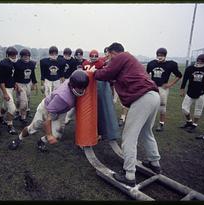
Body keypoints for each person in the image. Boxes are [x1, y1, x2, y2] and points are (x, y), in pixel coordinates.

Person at [90, 42, 161, 187]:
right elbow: (112, 76)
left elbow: (107, 73)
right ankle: (155, 163)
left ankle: (129, 175)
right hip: (152, 96)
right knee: (146, 132)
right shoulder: (128, 61)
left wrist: (93, 73)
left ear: (113, 52)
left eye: (107, 54)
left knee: (129, 137)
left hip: (143, 98)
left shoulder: (122, 56)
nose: (106, 57)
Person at [8, 70, 89, 152]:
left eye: (83, 87)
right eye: (80, 88)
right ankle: (19, 138)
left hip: (61, 110)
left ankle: (41, 141)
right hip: (46, 109)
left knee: (57, 135)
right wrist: (49, 135)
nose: (82, 90)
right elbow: (48, 119)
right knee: (32, 128)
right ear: (72, 85)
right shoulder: (63, 97)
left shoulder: (74, 81)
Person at [147, 48, 182, 131]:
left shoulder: (170, 64)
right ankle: (148, 123)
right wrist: (149, 82)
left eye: (161, 55)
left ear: (165, 56)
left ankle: (161, 124)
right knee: (151, 105)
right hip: (153, 87)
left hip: (162, 88)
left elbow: (179, 75)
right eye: (158, 55)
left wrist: (170, 84)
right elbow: (146, 73)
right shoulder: (152, 63)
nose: (160, 57)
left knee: (162, 105)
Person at [180, 54, 204, 133]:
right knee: (184, 108)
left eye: (202, 60)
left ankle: (194, 125)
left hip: (201, 92)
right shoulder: (190, 68)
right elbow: (185, 79)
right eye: (199, 60)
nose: (200, 62)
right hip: (190, 91)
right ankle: (189, 121)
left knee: (198, 110)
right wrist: (182, 89)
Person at [0, 46, 18, 134]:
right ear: (8, 55)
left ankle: (0, 117)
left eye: (15, 55)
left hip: (10, 87)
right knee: (12, 108)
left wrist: (15, 84)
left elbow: (12, 76)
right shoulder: (3, 64)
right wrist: (5, 93)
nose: (14, 57)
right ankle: (10, 125)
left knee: (5, 105)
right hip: (4, 88)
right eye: (12, 55)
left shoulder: (12, 63)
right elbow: (1, 80)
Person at [14, 48, 38, 124]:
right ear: (21, 56)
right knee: (23, 101)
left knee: (27, 99)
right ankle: (22, 117)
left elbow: (33, 74)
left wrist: (34, 83)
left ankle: (20, 112)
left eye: (28, 56)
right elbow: (13, 75)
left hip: (28, 83)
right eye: (24, 56)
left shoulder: (32, 63)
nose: (26, 57)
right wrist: (15, 84)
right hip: (19, 83)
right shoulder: (17, 63)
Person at [58, 48, 77, 124]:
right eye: (65, 54)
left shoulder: (73, 61)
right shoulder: (60, 58)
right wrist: (61, 76)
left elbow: (73, 71)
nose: (66, 56)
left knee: (68, 93)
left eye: (68, 55)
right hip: (60, 78)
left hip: (68, 78)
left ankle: (65, 110)